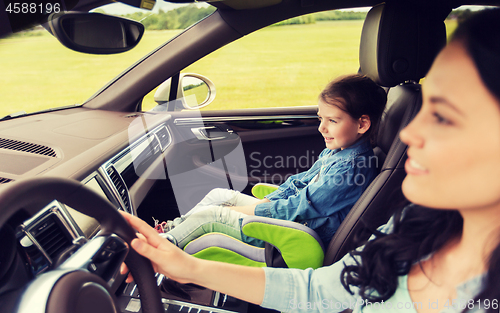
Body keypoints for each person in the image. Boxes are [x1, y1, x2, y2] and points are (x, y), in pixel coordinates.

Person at [121, 8, 500, 313]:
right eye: (425, 109)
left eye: (444, 116)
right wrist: (186, 266)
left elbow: (305, 208)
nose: (409, 135)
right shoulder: (413, 226)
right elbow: (322, 294)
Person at [158, 74, 387, 249]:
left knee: (211, 214)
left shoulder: (351, 168)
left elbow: (299, 208)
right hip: (293, 221)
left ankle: (162, 247)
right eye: (320, 118)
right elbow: (298, 183)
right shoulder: (338, 153)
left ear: (362, 124)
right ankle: (172, 229)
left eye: (333, 121)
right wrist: (265, 201)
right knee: (219, 196)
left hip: (296, 234)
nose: (321, 128)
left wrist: (244, 212)